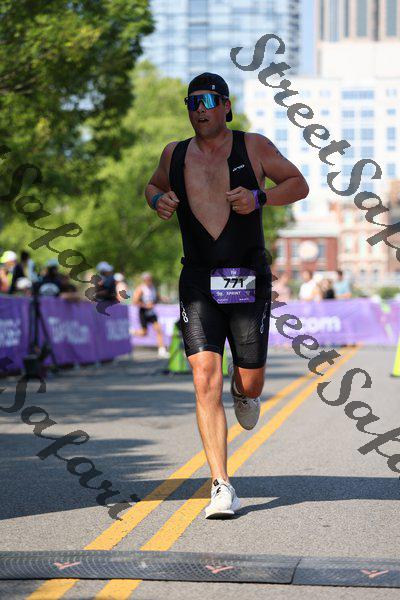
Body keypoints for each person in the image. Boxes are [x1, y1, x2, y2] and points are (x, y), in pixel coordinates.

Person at [145, 72, 308, 518]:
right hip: (197, 280)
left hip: (247, 279)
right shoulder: (175, 153)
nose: (199, 109)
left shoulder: (252, 147)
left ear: (225, 106)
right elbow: (153, 185)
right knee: (204, 379)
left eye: (208, 101)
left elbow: (298, 183)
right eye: (192, 102)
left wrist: (260, 198)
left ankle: (245, 389)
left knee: (250, 380)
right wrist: (157, 200)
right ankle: (221, 485)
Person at [132, 272, 169, 358]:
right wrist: (145, 305)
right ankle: (132, 332)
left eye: (150, 279)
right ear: (144, 280)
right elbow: (135, 301)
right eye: (147, 279)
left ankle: (162, 350)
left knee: (158, 329)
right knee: (144, 333)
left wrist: (163, 298)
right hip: (143, 312)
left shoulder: (153, 288)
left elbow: (158, 297)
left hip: (151, 312)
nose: (149, 281)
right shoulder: (141, 289)